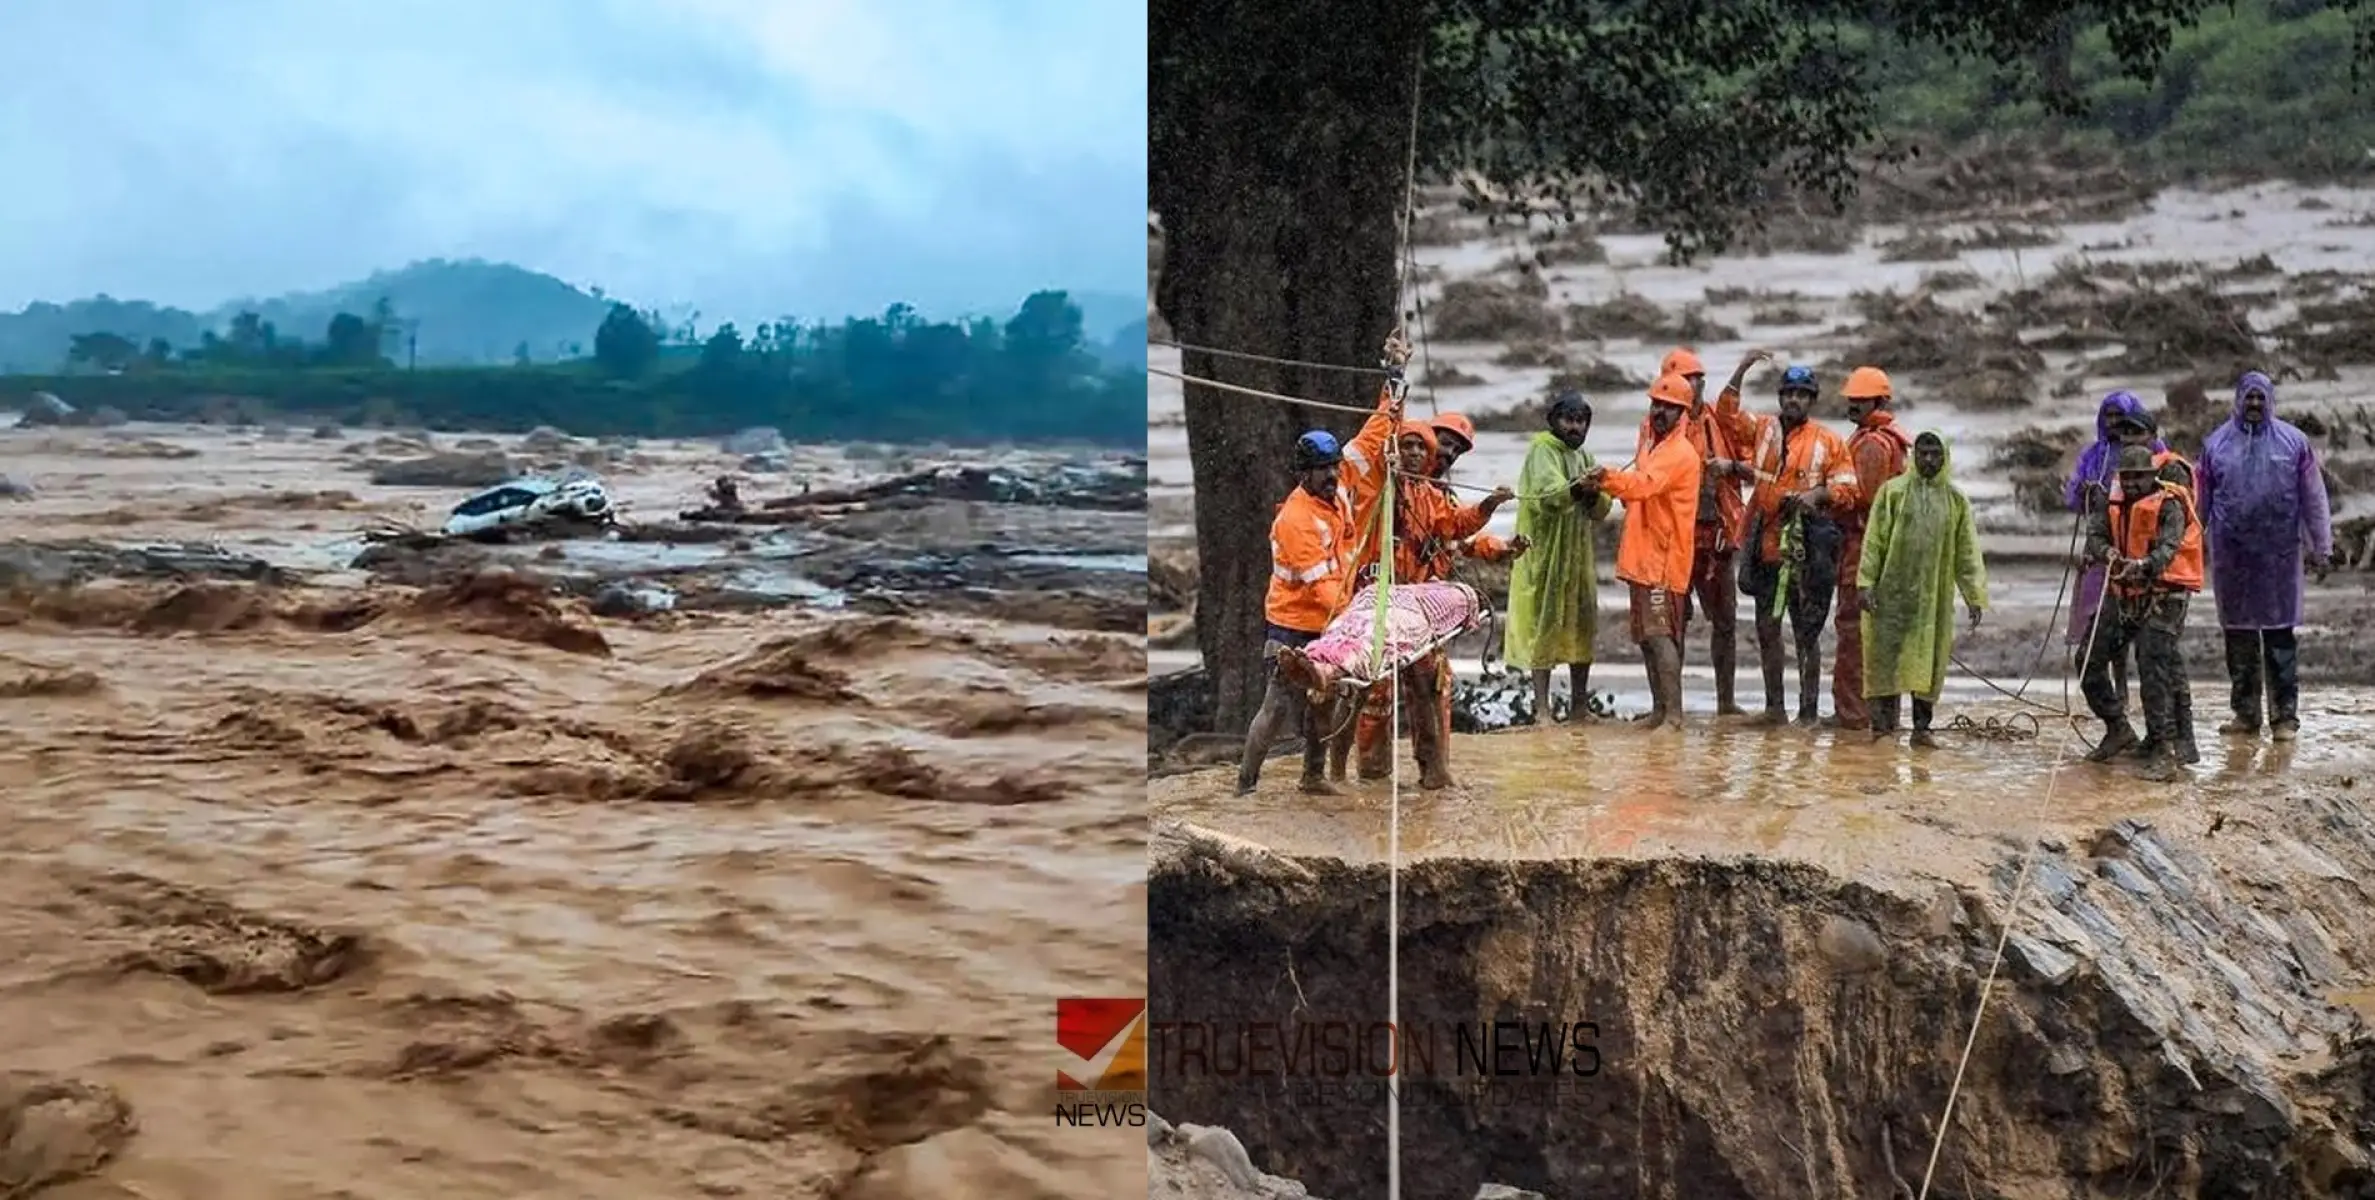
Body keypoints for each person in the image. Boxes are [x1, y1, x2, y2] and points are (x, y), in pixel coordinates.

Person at [1339, 420, 1516, 784]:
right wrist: (1392, 395)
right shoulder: (1378, 487)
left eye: (1423, 448)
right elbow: (1372, 445)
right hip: (1379, 604)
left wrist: (1488, 505)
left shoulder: (1434, 496)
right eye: (1408, 446)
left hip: (1419, 608)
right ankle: (1373, 772)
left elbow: (1458, 525)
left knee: (1430, 688)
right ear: (1395, 450)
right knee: (1375, 693)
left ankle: (1435, 771)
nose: (1416, 454)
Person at [2198, 370, 2335, 742]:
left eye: (2261, 398)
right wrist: (2190, 551)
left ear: (2270, 401)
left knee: (2279, 638)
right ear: (2238, 399)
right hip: (2233, 558)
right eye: (2249, 397)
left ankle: (2284, 718)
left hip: (2279, 557)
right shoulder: (2216, 446)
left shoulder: (2295, 443)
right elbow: (2199, 505)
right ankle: (2245, 715)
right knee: (2238, 638)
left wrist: (2321, 546)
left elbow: (2314, 498)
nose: (2254, 404)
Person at [1635, 347, 1762, 715]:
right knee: (1670, 623)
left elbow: (1740, 428)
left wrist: (1740, 370)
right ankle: (1666, 707)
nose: (1695, 385)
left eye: (1698, 379)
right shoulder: (1653, 426)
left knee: (1724, 619)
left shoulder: (1716, 419)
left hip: (1715, 533)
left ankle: (1726, 701)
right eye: (1687, 380)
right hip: (1671, 537)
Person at [1235, 430, 1356, 796]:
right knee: (1276, 708)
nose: (1332, 474)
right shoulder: (1295, 520)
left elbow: (1371, 439)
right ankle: (1246, 784)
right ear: (1304, 474)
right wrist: (1356, 620)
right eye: (1322, 469)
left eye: (1334, 466)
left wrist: (1391, 396)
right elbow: (1320, 587)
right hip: (1293, 626)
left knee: (1325, 701)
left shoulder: (1338, 498)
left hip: (1331, 621)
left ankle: (1313, 776)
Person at [1737, 365, 1857, 726]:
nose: (1794, 399)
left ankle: (1807, 712)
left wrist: (1815, 495)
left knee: (1807, 632)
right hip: (1766, 546)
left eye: (1802, 394)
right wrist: (1742, 368)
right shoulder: (1762, 430)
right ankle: (1775, 708)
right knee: (1767, 628)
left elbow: (1849, 491)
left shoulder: (1828, 442)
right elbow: (1726, 414)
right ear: (1780, 397)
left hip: (1806, 552)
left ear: (1812, 400)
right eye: (1789, 393)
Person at [2079, 444, 2205, 781]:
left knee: (2154, 666)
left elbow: (2168, 547)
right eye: (2128, 478)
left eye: (2139, 478)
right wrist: (2108, 555)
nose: (2133, 485)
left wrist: (2142, 566)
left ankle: (2164, 748)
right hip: (2122, 593)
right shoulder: (2110, 501)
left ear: (2152, 477)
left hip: (2163, 595)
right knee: (2087, 658)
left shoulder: (2170, 504)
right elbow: (2095, 536)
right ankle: (2117, 727)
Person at [1586, 373, 1703, 731]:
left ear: (1683, 413)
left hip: (1664, 561)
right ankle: (1659, 711)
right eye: (1656, 405)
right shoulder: (1653, 446)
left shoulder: (1679, 453)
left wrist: (1604, 476)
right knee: (1647, 640)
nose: (1660, 412)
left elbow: (1643, 485)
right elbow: (1634, 490)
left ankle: (1674, 715)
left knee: (1661, 636)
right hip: (1643, 556)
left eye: (1669, 408)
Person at [1856, 432, 1988, 747]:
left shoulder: (1955, 500)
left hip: (1933, 600)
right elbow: (1873, 541)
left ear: (1945, 458)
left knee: (1928, 659)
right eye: (1923, 454)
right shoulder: (1893, 493)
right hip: (1891, 594)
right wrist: (1865, 583)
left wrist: (1973, 595)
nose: (1928, 460)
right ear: (1914, 456)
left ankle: (1921, 728)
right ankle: (1883, 728)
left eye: (1935, 454)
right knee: (1885, 656)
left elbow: (1967, 551)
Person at [1506, 391, 1614, 722]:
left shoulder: (1585, 457)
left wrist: (1595, 492)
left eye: (1581, 421)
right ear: (1554, 420)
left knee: (1582, 624)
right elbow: (1548, 496)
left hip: (1577, 555)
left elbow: (1603, 509)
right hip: (1544, 554)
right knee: (1544, 625)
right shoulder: (1542, 450)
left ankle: (1579, 707)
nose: (1575, 427)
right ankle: (1542, 710)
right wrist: (1579, 488)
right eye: (1568, 419)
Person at [2065, 391, 2166, 709]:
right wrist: (2084, 492)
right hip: (2102, 550)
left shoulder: (2154, 454)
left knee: (2140, 627)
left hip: (2140, 553)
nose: (2114, 425)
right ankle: (2113, 696)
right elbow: (2073, 499)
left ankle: (2129, 693)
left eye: (2120, 419)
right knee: (2100, 624)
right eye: (2108, 418)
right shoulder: (2092, 456)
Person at [1832, 366, 1913, 732]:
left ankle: (1853, 715)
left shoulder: (1871, 445)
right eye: (1851, 400)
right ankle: (1880, 718)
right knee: (1880, 636)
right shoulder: (1891, 441)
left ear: (1878, 401)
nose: (1853, 406)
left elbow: (1861, 499)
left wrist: (1825, 499)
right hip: (1883, 551)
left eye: (1860, 401)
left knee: (1853, 632)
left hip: (1863, 549)